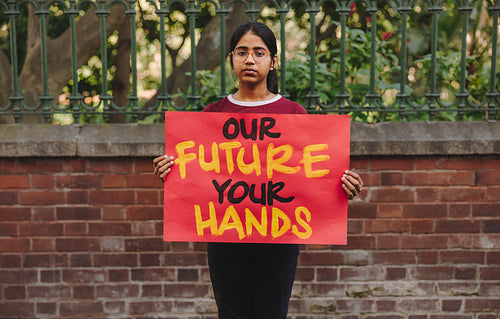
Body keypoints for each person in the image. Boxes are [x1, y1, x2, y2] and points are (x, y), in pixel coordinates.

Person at [153, 21, 364, 319]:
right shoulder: (212, 116)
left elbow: (313, 176)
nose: (250, 59)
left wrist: (343, 184)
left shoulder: (294, 115)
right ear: (231, 59)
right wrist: (169, 170)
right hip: (226, 239)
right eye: (242, 52)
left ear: (273, 61)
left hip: (278, 242)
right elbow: (195, 174)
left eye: (259, 52)